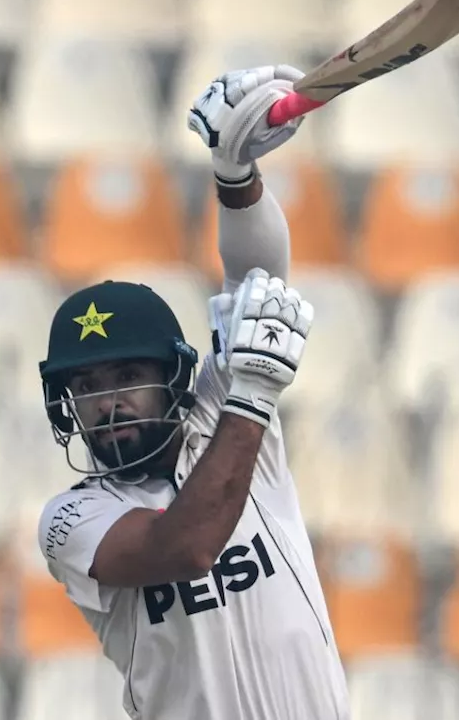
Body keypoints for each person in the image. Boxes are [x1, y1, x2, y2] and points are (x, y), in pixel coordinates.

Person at [36, 65, 351, 719]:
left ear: (175, 376)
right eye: (87, 386)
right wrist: (254, 394)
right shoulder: (72, 521)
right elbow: (184, 547)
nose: (108, 401)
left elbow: (258, 280)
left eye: (127, 377)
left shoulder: (220, 415)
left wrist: (234, 174)